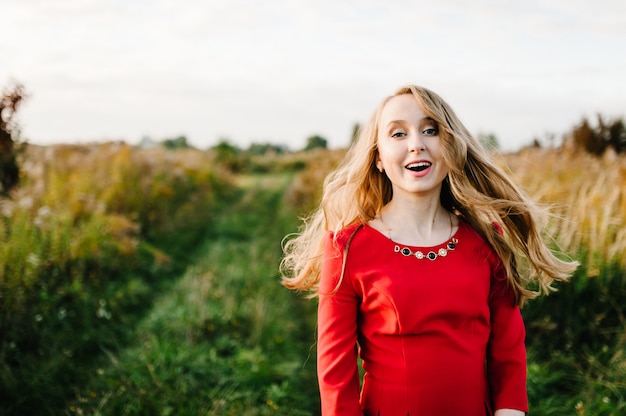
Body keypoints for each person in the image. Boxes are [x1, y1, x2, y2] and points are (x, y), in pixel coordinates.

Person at [280, 85, 578, 415]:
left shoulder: (488, 241)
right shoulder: (346, 248)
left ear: (450, 145)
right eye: (398, 134)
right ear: (378, 157)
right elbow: (336, 374)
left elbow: (508, 353)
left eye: (430, 130)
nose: (416, 144)